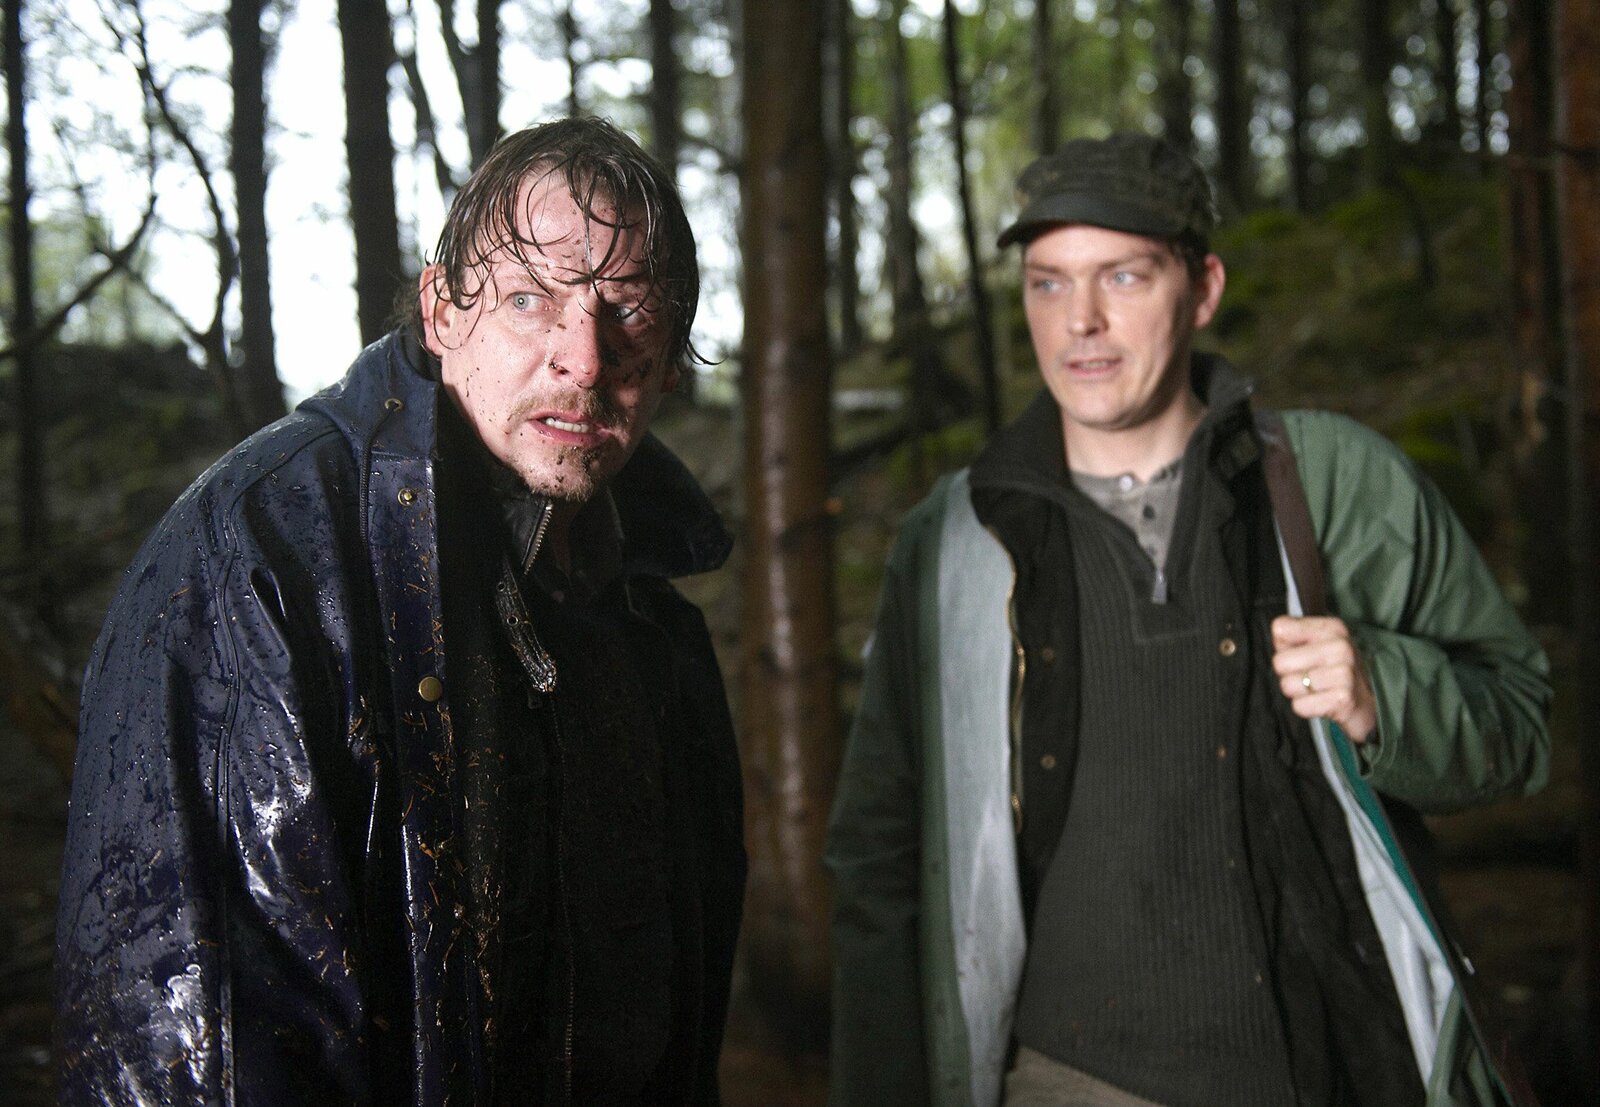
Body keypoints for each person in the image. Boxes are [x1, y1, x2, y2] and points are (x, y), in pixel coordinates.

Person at [826, 133, 1551, 1107]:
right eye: (1048, 283)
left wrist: (1384, 692)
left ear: (1202, 288)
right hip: (1065, 1083)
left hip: (1331, 1070)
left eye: (1123, 276)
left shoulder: (1331, 484)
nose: (1080, 320)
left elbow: (1520, 722)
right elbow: (879, 851)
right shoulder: (957, 537)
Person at [56, 117, 745, 1105]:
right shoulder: (262, 551)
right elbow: (179, 1028)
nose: (584, 360)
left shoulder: (649, 602)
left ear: (672, 354)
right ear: (440, 310)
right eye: (528, 298)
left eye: (628, 311)